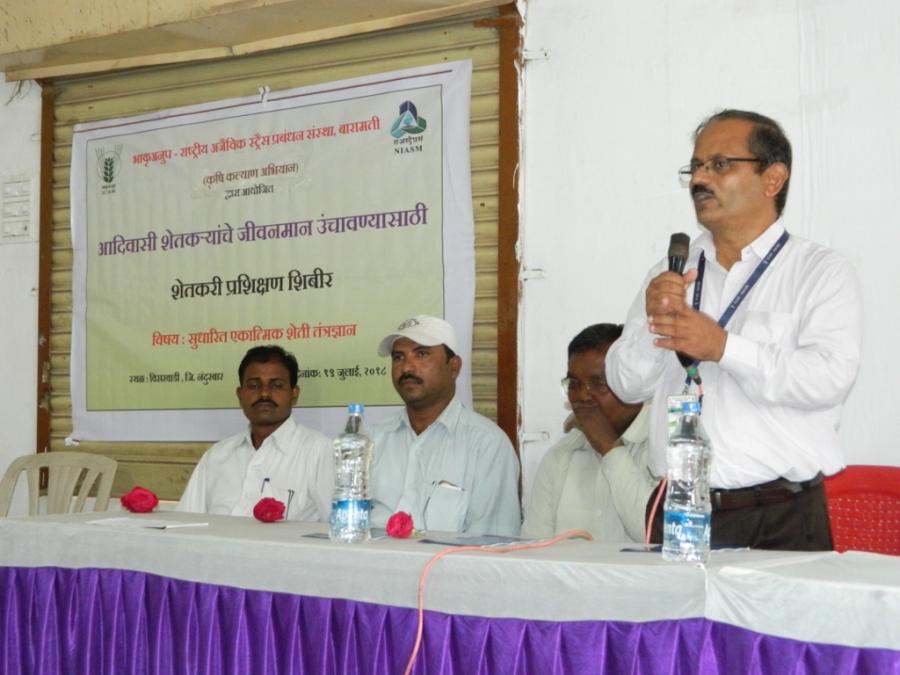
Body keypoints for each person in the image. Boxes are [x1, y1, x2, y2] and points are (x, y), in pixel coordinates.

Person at [605, 109, 862, 550]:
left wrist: (724, 347)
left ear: (773, 179)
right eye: (695, 166)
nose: (699, 179)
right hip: (682, 509)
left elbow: (828, 378)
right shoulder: (670, 273)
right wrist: (654, 324)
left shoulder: (820, 272)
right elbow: (625, 386)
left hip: (779, 514)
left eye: (720, 164)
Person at [370, 315, 521, 536]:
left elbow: (491, 543)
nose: (407, 367)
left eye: (422, 354)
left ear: (454, 367)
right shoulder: (372, 439)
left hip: (448, 560)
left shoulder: (487, 444)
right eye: (398, 357)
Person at [522, 324, 657, 541]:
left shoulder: (666, 449)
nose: (582, 396)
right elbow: (533, 549)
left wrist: (610, 448)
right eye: (574, 384)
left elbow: (654, 534)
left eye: (598, 384)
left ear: (632, 383)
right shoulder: (560, 456)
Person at [177, 345, 333, 521]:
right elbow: (185, 523)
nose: (264, 393)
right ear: (240, 394)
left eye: (277, 385)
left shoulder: (319, 451)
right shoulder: (217, 456)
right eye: (253, 386)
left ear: (294, 394)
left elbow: (340, 526)